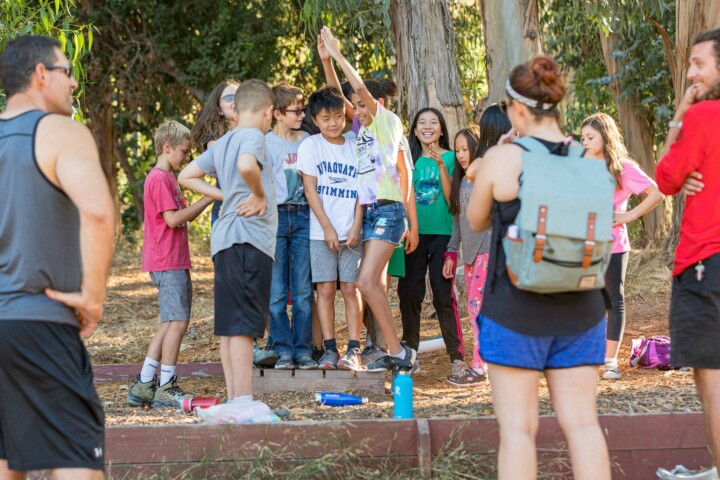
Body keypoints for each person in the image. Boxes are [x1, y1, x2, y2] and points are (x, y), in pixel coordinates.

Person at [466, 55, 611, 479]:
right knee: (583, 424)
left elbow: (476, 222)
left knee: (517, 431)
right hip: (582, 307)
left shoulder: (504, 159)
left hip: (515, 309)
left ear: (518, 110)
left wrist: (501, 152)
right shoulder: (588, 161)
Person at [0, 35, 114, 479]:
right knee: (75, 463)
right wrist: (92, 297)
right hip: (40, 324)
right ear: (41, 74)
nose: (73, 85)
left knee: (8, 463)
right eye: (67, 73)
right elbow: (100, 213)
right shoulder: (61, 131)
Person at [178, 79, 277, 421]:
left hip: (225, 241)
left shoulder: (223, 142)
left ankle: (236, 400)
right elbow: (248, 167)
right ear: (268, 111)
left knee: (231, 324)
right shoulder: (253, 137)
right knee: (246, 325)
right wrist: (259, 194)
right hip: (249, 240)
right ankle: (245, 400)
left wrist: (228, 197)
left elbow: (187, 175)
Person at [317, 40, 420, 367]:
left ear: (376, 103)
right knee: (372, 284)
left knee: (364, 282)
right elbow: (340, 94)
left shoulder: (387, 123)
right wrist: (326, 62)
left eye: (363, 106)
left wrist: (337, 52)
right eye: (355, 109)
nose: (356, 112)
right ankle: (397, 352)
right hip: (372, 209)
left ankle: (398, 351)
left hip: (389, 209)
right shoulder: (362, 129)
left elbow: (357, 87)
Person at [656, 28, 720, 478]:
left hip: (706, 262)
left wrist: (682, 112)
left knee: (713, 381)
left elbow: (664, 178)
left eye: (699, 64)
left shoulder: (701, 119)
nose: (691, 73)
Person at [126, 121, 213, 408]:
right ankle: (165, 385)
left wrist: (204, 200)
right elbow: (174, 219)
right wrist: (208, 196)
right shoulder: (160, 179)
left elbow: (185, 214)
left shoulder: (169, 178)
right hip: (166, 260)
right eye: (184, 152)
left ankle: (145, 383)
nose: (187, 158)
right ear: (167, 147)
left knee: (171, 322)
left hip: (171, 258)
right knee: (178, 322)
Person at [580, 113, 664, 380]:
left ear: (605, 136)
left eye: (590, 137)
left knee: (612, 300)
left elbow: (657, 193)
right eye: (582, 138)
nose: (584, 142)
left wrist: (628, 216)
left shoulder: (622, 168)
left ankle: (610, 361)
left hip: (613, 245)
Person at [443, 105, 512, 387]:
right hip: (472, 253)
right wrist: (452, 250)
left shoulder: (495, 162)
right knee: (478, 310)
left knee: (478, 309)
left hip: (490, 248)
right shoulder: (484, 163)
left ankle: (480, 367)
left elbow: (474, 172)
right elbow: (460, 218)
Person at [297, 86, 364, 370]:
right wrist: (326, 227)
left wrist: (357, 224)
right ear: (314, 119)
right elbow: (310, 190)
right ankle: (329, 349)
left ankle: (353, 349)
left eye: (337, 116)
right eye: (325, 119)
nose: (333, 123)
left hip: (351, 230)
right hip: (319, 232)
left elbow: (363, 190)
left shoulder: (355, 145)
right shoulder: (310, 146)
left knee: (351, 287)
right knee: (324, 288)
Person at [399, 107, 466, 380]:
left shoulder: (451, 158)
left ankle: (456, 357)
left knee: (442, 294)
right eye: (422, 123)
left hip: (442, 234)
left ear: (441, 130)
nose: (428, 127)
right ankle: (410, 353)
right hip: (414, 234)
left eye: (434, 123)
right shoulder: (408, 160)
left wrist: (441, 166)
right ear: (414, 130)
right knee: (409, 293)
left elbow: (453, 202)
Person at [266, 82, 314, 370]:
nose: (301, 115)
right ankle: (283, 349)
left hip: (304, 215)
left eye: (302, 109)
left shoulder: (306, 139)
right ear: (277, 114)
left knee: (303, 289)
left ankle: (303, 350)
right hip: (275, 217)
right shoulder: (265, 143)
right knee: (275, 290)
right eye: (296, 111)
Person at [189, 79, 239, 225]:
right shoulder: (213, 138)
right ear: (219, 109)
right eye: (229, 98)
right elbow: (219, 157)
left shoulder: (259, 131)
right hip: (225, 213)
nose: (236, 101)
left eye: (240, 96)